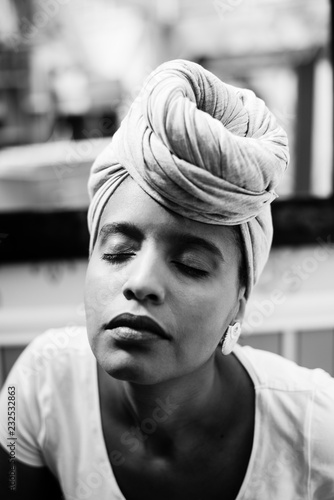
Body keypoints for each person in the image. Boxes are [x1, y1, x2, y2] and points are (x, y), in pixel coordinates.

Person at [0, 59, 333, 500]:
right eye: (118, 252)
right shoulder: (37, 383)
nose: (141, 282)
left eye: (191, 265)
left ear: (239, 301)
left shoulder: (316, 426)